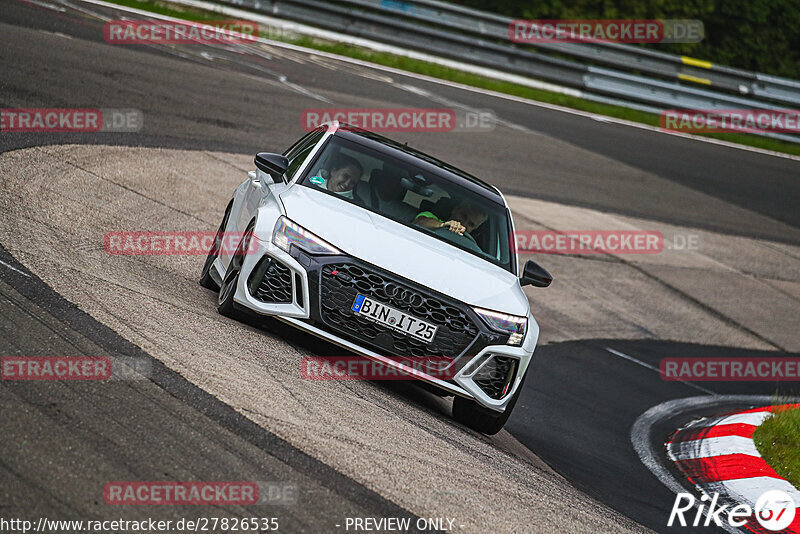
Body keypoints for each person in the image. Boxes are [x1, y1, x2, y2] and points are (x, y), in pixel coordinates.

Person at [413, 200, 487, 253]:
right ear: (455, 209)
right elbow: (420, 222)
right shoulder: (432, 218)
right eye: (463, 216)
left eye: (471, 224)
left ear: (475, 228)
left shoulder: (473, 247)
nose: (464, 223)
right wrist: (442, 225)